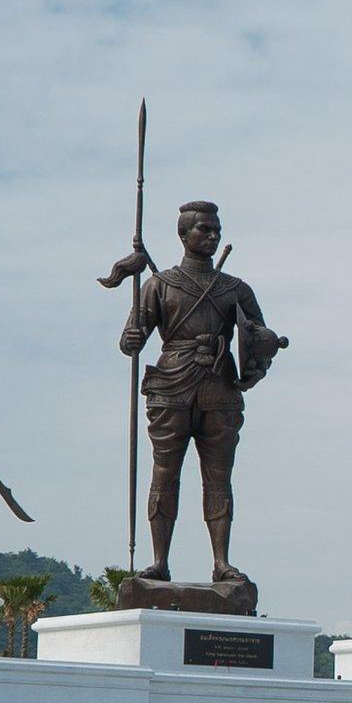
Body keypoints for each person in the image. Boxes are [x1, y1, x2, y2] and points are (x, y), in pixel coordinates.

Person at [119, 200, 284, 583]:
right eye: (204, 230)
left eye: (216, 231)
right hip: (171, 384)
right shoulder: (159, 285)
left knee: (219, 476)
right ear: (184, 234)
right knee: (165, 472)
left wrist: (261, 354)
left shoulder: (235, 289)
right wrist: (130, 338)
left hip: (219, 385)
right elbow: (133, 339)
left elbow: (258, 340)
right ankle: (159, 561)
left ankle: (221, 562)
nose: (212, 236)